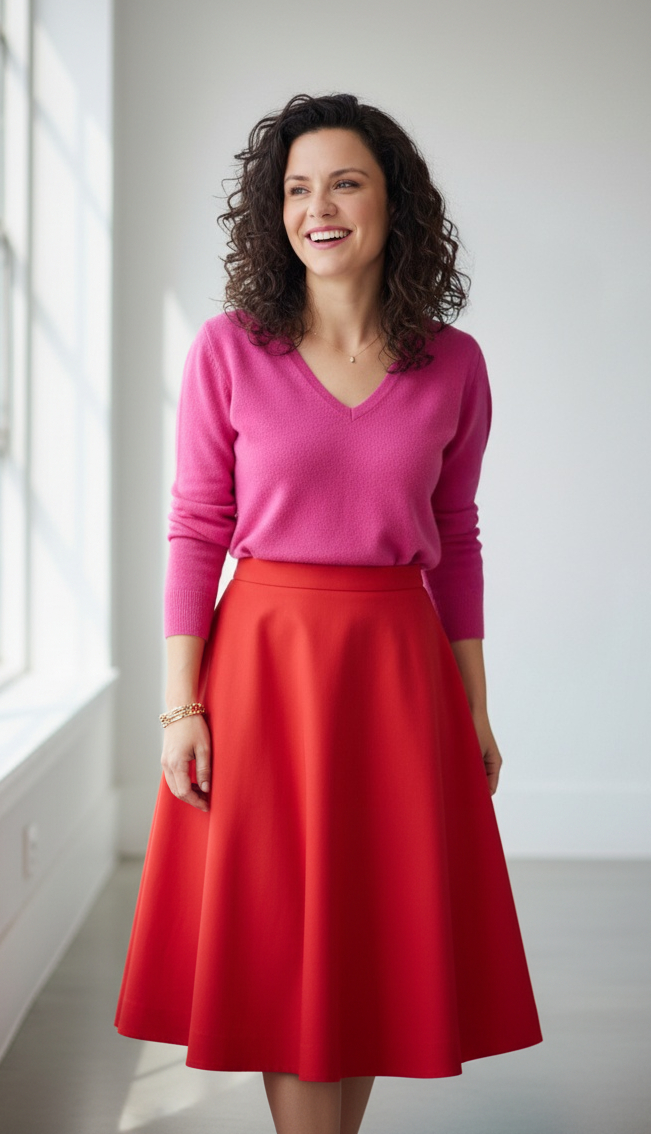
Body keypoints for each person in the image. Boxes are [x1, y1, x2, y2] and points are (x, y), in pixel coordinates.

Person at [115, 92, 542, 1134]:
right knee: (282, 943)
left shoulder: (454, 365)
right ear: (275, 214)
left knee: (361, 942)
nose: (321, 206)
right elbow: (195, 527)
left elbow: (459, 536)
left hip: (398, 667)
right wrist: (182, 709)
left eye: (345, 181)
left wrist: (475, 707)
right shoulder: (228, 349)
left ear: (395, 204)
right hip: (262, 664)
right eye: (298, 188)